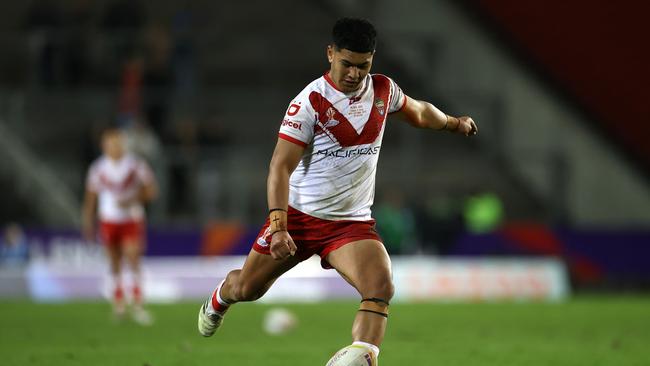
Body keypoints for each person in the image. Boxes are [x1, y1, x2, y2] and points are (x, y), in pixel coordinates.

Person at [197, 17, 477, 363]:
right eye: (347, 64)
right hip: (298, 219)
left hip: (350, 224)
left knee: (380, 288)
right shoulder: (309, 103)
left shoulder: (383, 91)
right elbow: (279, 167)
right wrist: (279, 226)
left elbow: (419, 112)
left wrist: (453, 123)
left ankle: (363, 355)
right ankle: (220, 298)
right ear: (330, 54)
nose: (355, 74)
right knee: (247, 289)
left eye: (364, 66)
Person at [82, 128, 158, 325]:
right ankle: (118, 304)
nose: (114, 148)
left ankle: (138, 304)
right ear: (104, 146)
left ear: (123, 145)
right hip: (108, 220)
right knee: (114, 262)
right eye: (110, 144)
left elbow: (152, 190)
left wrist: (133, 199)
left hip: (131, 219)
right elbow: (91, 197)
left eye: (117, 144)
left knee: (133, 257)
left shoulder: (136, 165)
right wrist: (87, 221)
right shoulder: (98, 168)